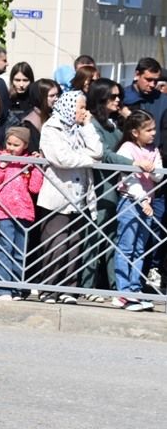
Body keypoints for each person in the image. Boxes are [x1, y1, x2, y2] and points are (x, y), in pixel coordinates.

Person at [36, 90, 102, 304]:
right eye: (81, 107)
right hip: (58, 195)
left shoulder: (79, 128)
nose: (84, 111)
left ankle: (68, 289)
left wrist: (88, 126)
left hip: (80, 195)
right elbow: (62, 158)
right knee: (57, 244)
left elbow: (98, 151)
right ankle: (49, 289)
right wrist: (88, 160)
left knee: (74, 244)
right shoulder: (51, 128)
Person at [79, 79, 130, 300]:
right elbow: (105, 153)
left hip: (114, 187)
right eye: (113, 96)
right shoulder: (93, 124)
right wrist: (134, 164)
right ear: (101, 98)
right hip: (99, 187)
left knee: (110, 240)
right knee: (94, 237)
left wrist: (128, 119)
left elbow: (122, 140)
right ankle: (87, 287)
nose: (118, 100)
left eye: (119, 96)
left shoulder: (111, 123)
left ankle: (113, 287)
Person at [112, 110, 161, 311]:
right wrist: (142, 200)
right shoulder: (127, 148)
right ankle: (122, 292)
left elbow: (158, 175)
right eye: (148, 130)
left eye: (154, 129)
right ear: (134, 132)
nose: (153, 133)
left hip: (147, 202)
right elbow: (129, 179)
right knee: (126, 247)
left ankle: (135, 287)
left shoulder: (153, 150)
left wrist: (152, 169)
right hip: (130, 201)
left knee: (140, 249)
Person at [0, 126, 44, 300]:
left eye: (16, 145)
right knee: (4, 246)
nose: (11, 148)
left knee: (20, 250)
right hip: (3, 208)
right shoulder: (0, 158)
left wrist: (37, 168)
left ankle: (16, 286)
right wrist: (2, 166)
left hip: (24, 210)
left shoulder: (28, 162)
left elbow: (34, 188)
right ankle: (1, 287)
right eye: (9, 143)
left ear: (25, 145)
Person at [21, 78, 60, 153]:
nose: (56, 99)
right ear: (40, 98)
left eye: (57, 95)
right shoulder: (30, 123)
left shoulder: (52, 115)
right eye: (52, 96)